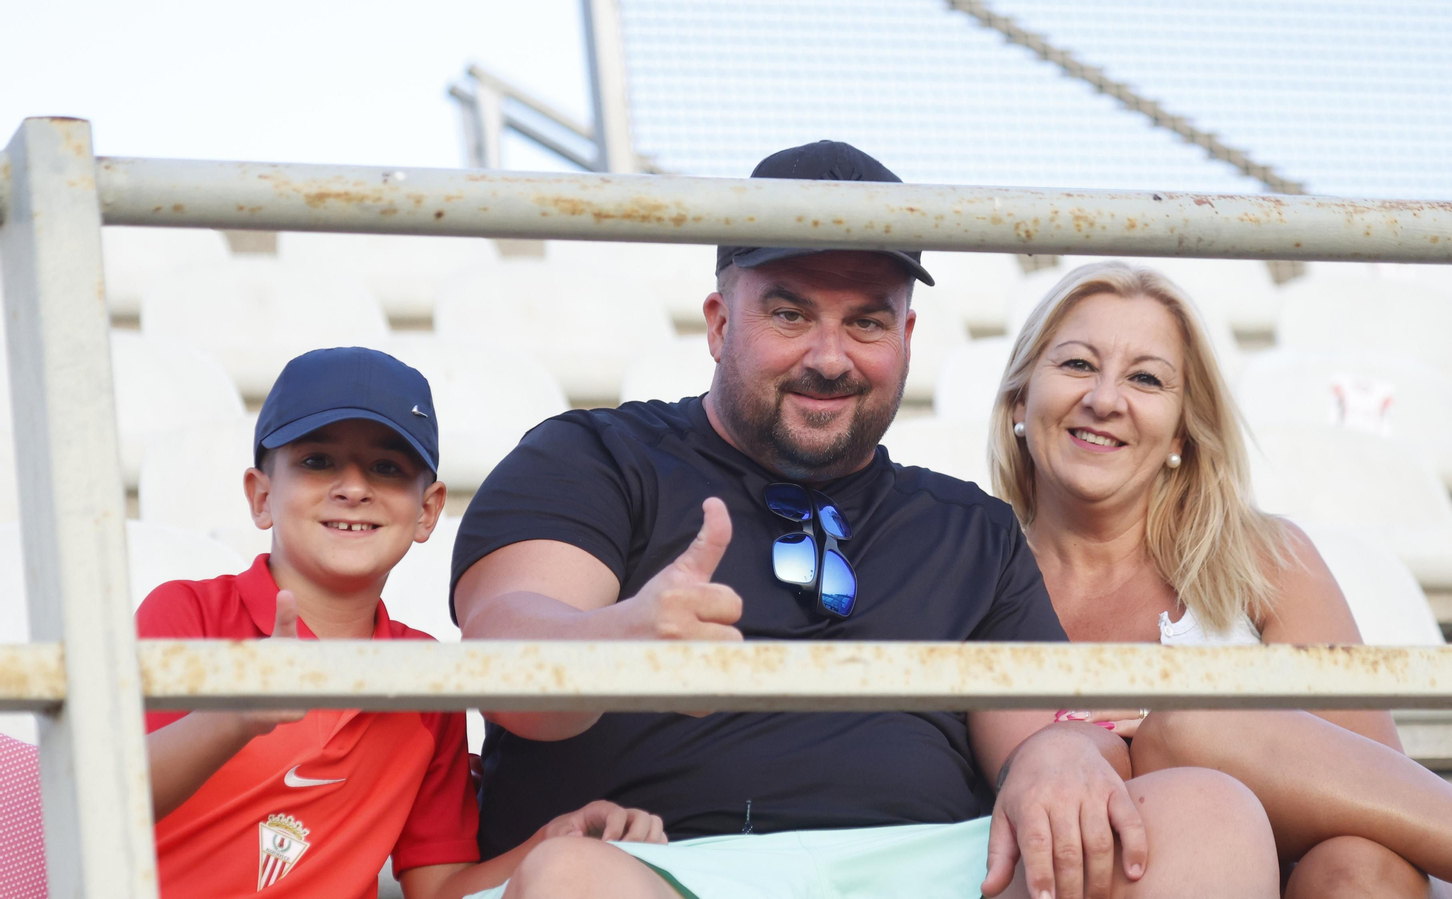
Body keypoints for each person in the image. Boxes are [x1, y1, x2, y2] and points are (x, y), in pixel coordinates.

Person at [450, 141, 1281, 899]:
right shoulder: (595, 457)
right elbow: (510, 657)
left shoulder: (972, 530)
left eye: (867, 322)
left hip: (932, 869)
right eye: (789, 314)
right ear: (719, 322)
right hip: (666, 869)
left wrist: (1061, 752)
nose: (829, 356)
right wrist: (621, 639)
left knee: (1207, 816)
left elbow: (1043, 737)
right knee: (574, 883)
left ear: (906, 335)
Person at [991, 260, 1452, 899]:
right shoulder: (970, 573)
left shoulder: (1266, 561)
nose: (1105, 399)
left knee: (1360, 864)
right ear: (1019, 402)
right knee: (1189, 727)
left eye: (1145, 378)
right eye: (1078, 364)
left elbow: (1395, 814)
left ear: (1182, 433)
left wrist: (1179, 730)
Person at [137, 347, 665, 899]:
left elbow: (438, 888)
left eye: (387, 468)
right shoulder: (187, 613)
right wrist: (234, 716)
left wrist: (555, 841)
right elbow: (107, 798)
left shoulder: (424, 680)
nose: (354, 488)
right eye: (318, 461)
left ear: (427, 511)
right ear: (262, 495)